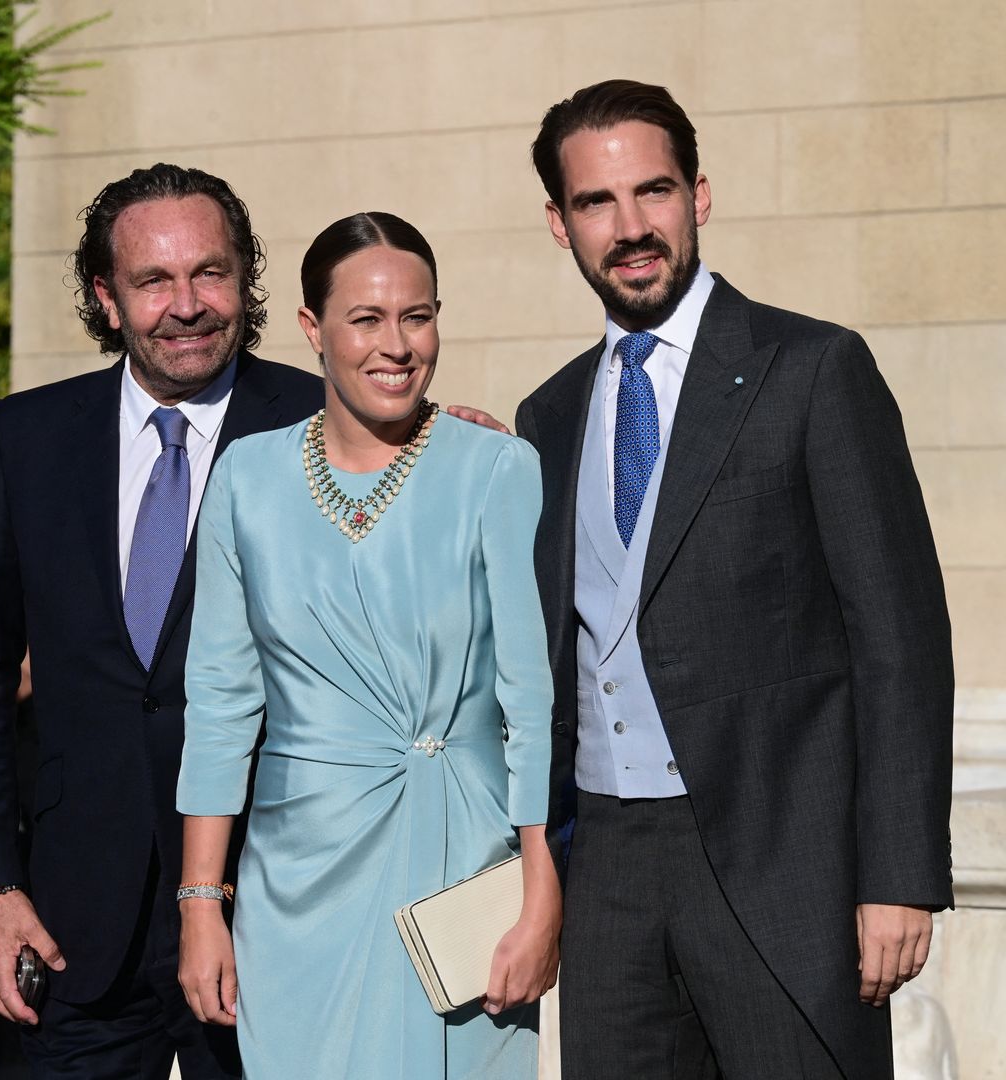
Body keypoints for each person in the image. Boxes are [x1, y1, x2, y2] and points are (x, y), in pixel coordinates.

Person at [515, 80, 954, 1080]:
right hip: (611, 874)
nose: (631, 228)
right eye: (596, 203)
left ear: (699, 196)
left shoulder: (812, 370)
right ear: (559, 224)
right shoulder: (548, 417)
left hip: (781, 864)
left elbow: (900, 639)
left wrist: (898, 877)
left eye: (654, 192)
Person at [0, 163, 325, 1078]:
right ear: (107, 298)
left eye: (211, 273)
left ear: (245, 280)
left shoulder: (319, 424)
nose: (186, 304)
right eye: (154, 280)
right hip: (74, 926)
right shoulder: (25, 439)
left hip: (271, 907)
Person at [175, 212, 561, 1079]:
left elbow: (532, 706)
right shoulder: (246, 478)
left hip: (462, 875)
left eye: (418, 316)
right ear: (313, 330)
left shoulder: (497, 468)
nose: (398, 344)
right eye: (368, 318)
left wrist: (541, 897)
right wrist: (202, 902)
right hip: (294, 885)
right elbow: (222, 705)